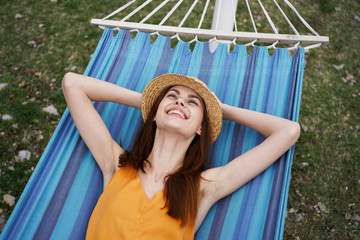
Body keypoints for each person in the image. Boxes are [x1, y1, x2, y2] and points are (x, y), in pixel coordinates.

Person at [62, 72, 300, 239]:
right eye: (172, 96)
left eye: (192, 102)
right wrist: (151, 103)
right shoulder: (115, 165)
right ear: (154, 115)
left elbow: (288, 131)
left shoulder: (204, 187)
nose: (179, 101)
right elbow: (73, 84)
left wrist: (219, 111)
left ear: (201, 129)